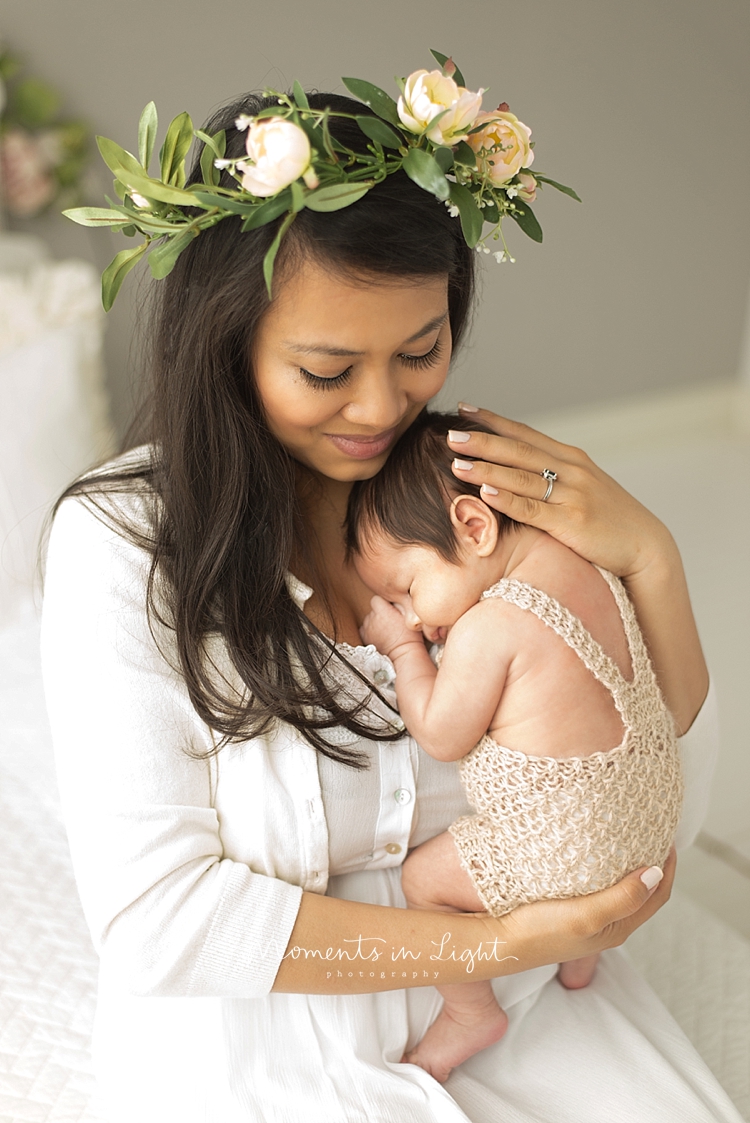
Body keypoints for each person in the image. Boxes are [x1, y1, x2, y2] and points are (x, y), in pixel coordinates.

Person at [40, 82, 743, 1123]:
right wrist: (493, 943)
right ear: (227, 350)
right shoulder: (124, 549)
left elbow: (660, 754)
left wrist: (651, 556)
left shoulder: (467, 493)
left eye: (420, 351)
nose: (380, 410)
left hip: (528, 997)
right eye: (327, 371)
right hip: (259, 1049)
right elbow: (160, 923)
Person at [347, 409, 684, 1083]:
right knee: (591, 829)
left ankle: (472, 1013)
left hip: (572, 850)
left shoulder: (490, 626)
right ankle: (583, 957)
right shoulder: (585, 564)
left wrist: (403, 646)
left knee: (423, 881)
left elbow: (441, 733)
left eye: (407, 589)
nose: (415, 614)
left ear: (475, 526)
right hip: (653, 818)